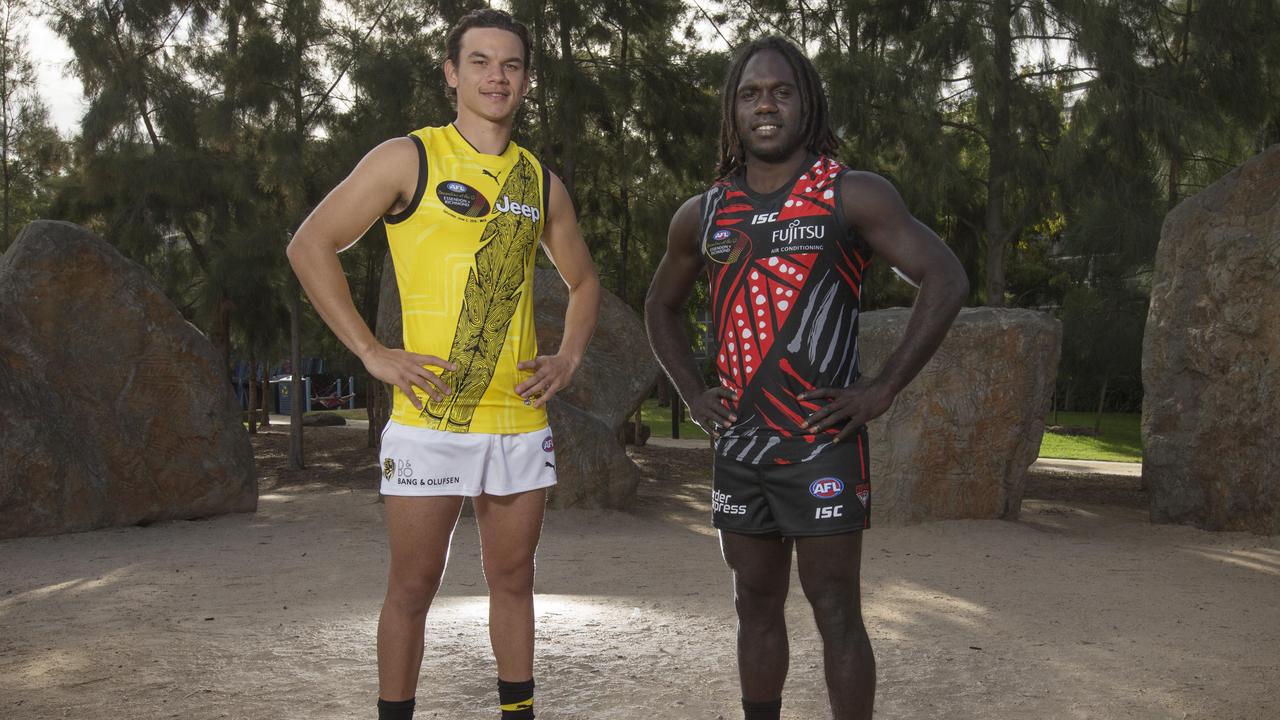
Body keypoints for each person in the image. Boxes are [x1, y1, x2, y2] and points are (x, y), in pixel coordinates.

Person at [286, 9, 600, 720]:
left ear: (525, 80)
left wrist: (570, 356)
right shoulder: (409, 158)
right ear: (453, 73)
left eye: (512, 65)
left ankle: (516, 714)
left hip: (517, 418)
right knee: (413, 586)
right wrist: (370, 352)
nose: (498, 76)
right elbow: (310, 244)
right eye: (481, 62)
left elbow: (585, 282)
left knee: (514, 579)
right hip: (431, 416)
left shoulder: (540, 183)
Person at [644, 36, 968, 720]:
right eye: (751, 93)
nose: (767, 106)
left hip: (822, 441)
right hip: (741, 448)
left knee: (835, 610)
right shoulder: (703, 215)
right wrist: (693, 393)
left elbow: (945, 276)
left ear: (806, 103)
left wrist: (883, 388)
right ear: (733, 110)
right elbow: (659, 306)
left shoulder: (850, 194)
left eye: (782, 92)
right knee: (754, 604)